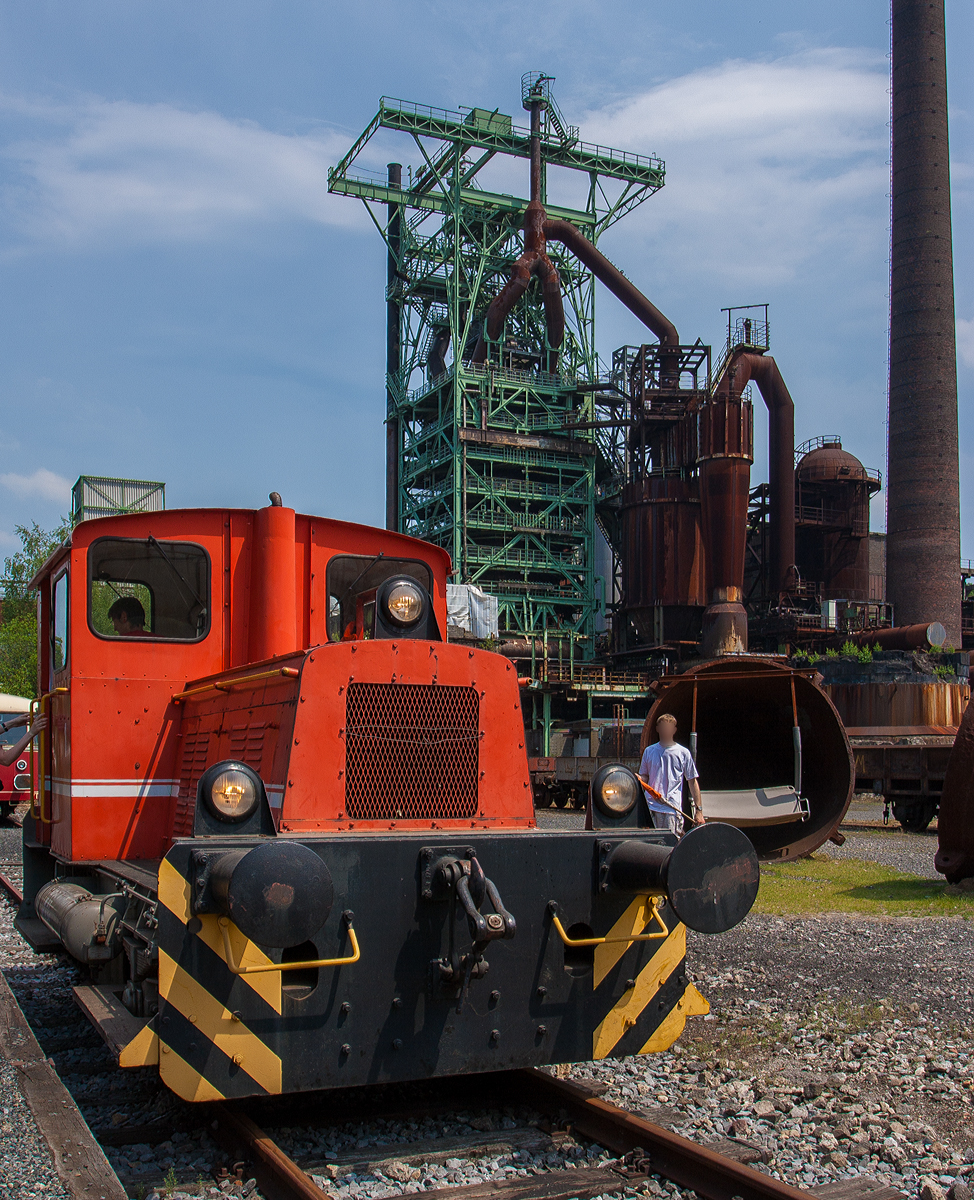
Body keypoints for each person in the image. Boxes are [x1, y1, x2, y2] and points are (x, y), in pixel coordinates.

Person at [636, 713, 704, 835]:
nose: (665, 732)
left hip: (671, 809)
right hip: (650, 807)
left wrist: (699, 811)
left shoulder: (683, 753)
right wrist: (638, 779)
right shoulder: (649, 751)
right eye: (663, 728)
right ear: (658, 729)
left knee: (670, 846)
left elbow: (692, 782)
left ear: (674, 730)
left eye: (668, 729)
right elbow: (645, 776)